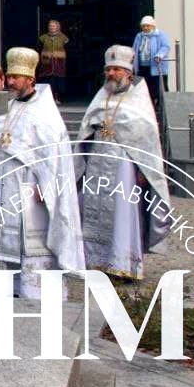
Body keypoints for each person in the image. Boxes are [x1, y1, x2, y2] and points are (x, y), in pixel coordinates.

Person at [0, 49, 85, 299]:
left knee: (31, 245)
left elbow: (55, 159)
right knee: (4, 242)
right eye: (9, 77)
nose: (10, 82)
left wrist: (47, 188)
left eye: (15, 78)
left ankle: (35, 292)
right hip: (3, 187)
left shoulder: (46, 114)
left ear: (30, 79)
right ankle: (8, 291)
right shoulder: (7, 107)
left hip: (32, 190)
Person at [75, 45, 171, 281]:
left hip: (124, 168)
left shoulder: (140, 100)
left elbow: (147, 140)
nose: (111, 74)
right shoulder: (102, 96)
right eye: (109, 69)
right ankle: (94, 261)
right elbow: (87, 126)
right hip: (97, 163)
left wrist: (142, 171)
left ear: (128, 72)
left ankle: (123, 265)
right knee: (93, 209)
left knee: (122, 215)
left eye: (117, 69)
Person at [131, 16, 171, 121]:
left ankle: (162, 106)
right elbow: (134, 48)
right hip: (143, 67)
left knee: (158, 87)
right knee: (145, 87)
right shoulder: (139, 36)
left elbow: (166, 46)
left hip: (156, 67)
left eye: (147, 25)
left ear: (153, 26)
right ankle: (149, 107)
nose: (145, 28)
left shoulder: (159, 35)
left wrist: (159, 55)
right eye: (143, 26)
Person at [37, 20, 68, 103]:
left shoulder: (63, 38)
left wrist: (57, 54)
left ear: (57, 27)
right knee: (48, 81)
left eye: (53, 26)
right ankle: (48, 98)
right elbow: (40, 50)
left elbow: (65, 50)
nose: (51, 27)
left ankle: (58, 98)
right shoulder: (43, 38)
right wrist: (46, 54)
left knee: (58, 82)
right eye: (50, 26)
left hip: (59, 64)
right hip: (47, 64)